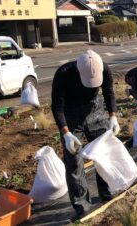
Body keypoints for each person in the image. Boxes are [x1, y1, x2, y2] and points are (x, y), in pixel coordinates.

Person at [51, 50, 120, 216]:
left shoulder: (104, 68)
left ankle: (107, 193)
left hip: (95, 110)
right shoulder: (63, 74)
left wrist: (113, 116)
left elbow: (109, 92)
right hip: (71, 115)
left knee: (103, 154)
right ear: (78, 70)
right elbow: (57, 106)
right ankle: (82, 206)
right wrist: (66, 133)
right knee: (74, 162)